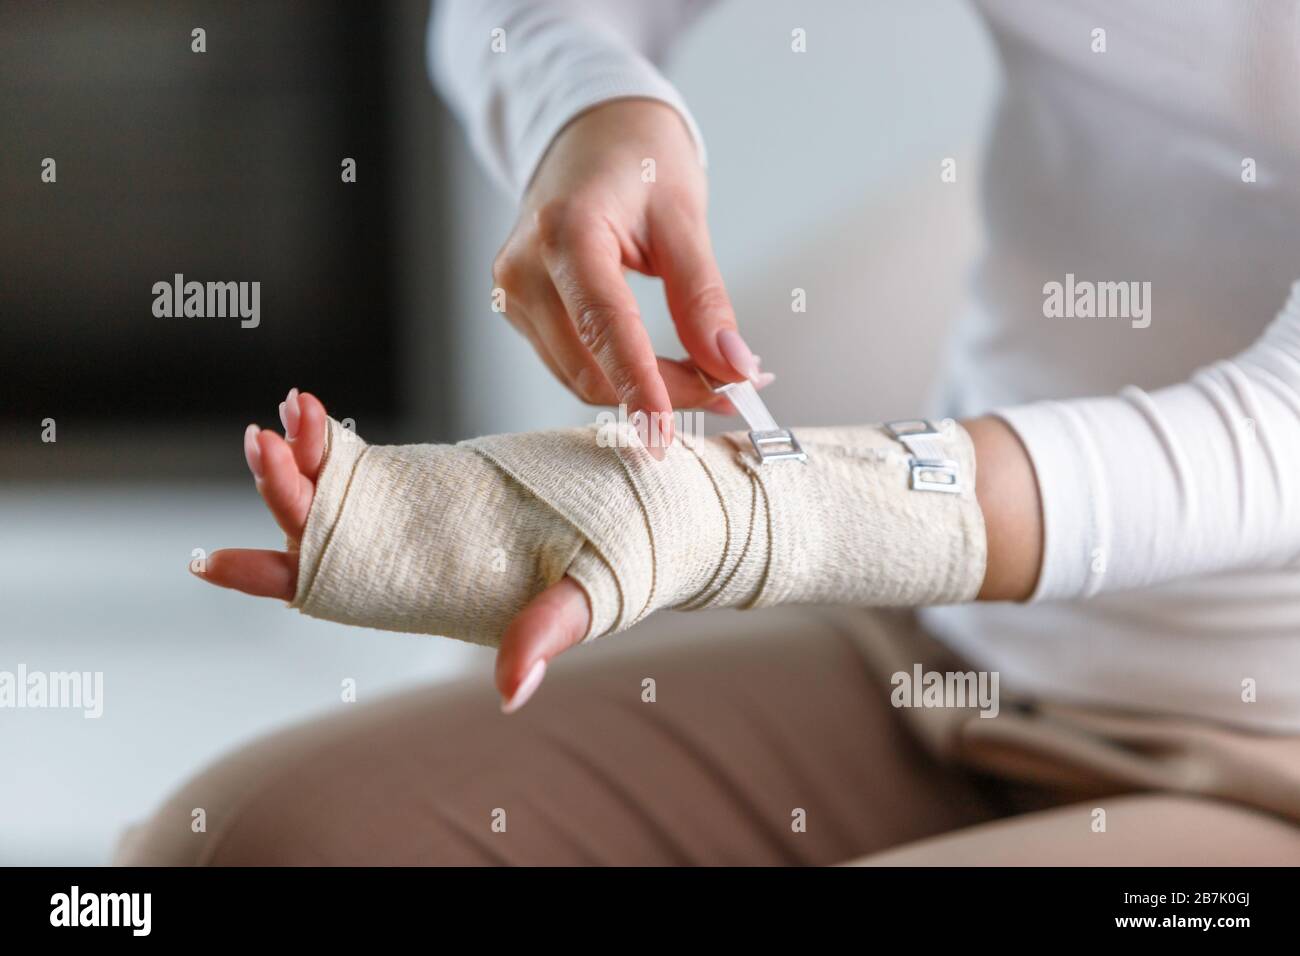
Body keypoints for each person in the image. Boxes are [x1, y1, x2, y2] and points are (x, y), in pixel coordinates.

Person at [116, 0, 1300, 865]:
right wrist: (589, 108)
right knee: (245, 848)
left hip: (1266, 759)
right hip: (948, 650)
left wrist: (727, 514)